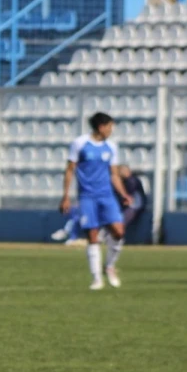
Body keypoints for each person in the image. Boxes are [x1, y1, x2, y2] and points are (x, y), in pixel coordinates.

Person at [60, 112, 132, 290]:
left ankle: (109, 266)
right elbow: (70, 170)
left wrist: (123, 194)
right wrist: (66, 196)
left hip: (107, 196)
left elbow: (114, 174)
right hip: (87, 197)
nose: (111, 130)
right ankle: (97, 279)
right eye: (110, 127)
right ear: (101, 127)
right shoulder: (80, 144)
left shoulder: (111, 147)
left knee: (118, 232)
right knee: (92, 236)